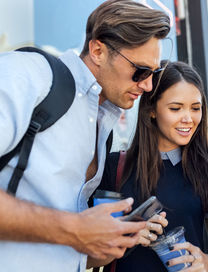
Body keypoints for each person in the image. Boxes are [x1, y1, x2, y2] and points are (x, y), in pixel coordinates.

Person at [0, 1, 170, 271]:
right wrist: (75, 228)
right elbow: (71, 231)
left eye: (154, 72)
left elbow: (73, 253)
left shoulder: (103, 124)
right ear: (98, 50)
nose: (148, 85)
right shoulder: (30, 74)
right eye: (141, 71)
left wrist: (117, 239)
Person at [93, 60, 208, 271]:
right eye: (176, 108)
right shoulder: (114, 168)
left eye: (195, 108)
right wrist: (127, 236)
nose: (188, 118)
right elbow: (89, 256)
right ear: (151, 110)